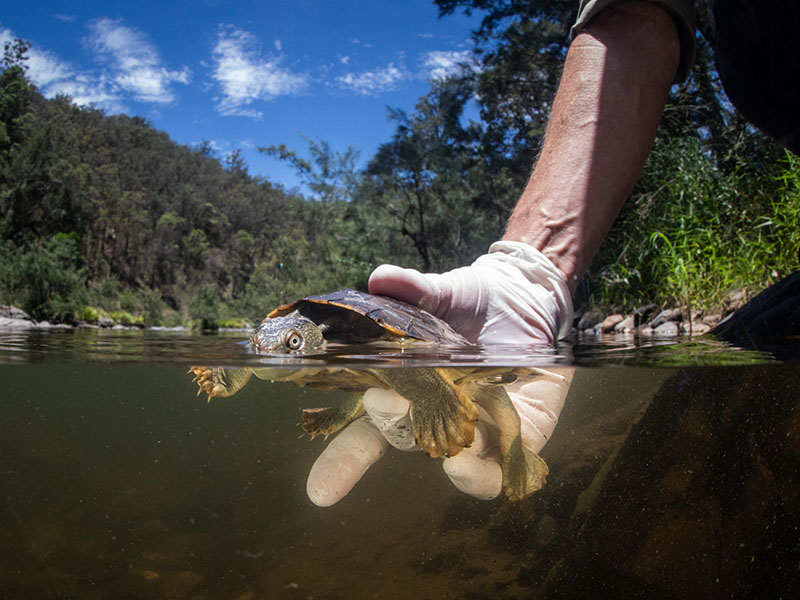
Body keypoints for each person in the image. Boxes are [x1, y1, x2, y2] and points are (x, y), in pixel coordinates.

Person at [305, 0, 800, 506]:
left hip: (464, 377)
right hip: (469, 362)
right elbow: (636, 17)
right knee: (706, 410)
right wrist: (530, 275)